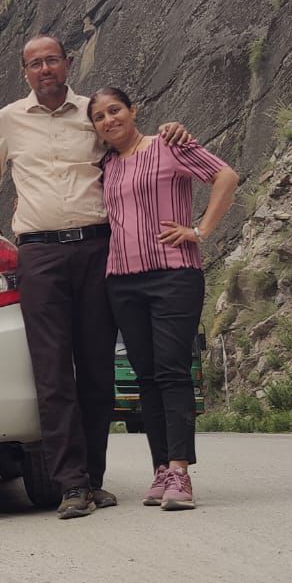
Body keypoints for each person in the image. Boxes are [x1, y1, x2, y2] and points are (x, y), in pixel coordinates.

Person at [0, 35, 191, 519]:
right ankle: (70, 484)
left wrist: (169, 132)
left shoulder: (93, 112)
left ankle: (94, 481)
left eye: (52, 60)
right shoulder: (9, 119)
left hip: (97, 248)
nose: (45, 69)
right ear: (25, 72)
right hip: (40, 254)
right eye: (35, 64)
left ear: (67, 64)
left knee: (96, 370)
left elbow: (131, 144)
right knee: (51, 371)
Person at [88, 87, 238, 510]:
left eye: (115, 110)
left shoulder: (170, 144)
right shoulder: (105, 165)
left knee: (172, 371)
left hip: (174, 275)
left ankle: (180, 472)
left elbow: (225, 176)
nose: (109, 120)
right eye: (99, 116)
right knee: (147, 376)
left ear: (133, 110)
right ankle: (161, 469)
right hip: (122, 281)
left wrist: (201, 230)